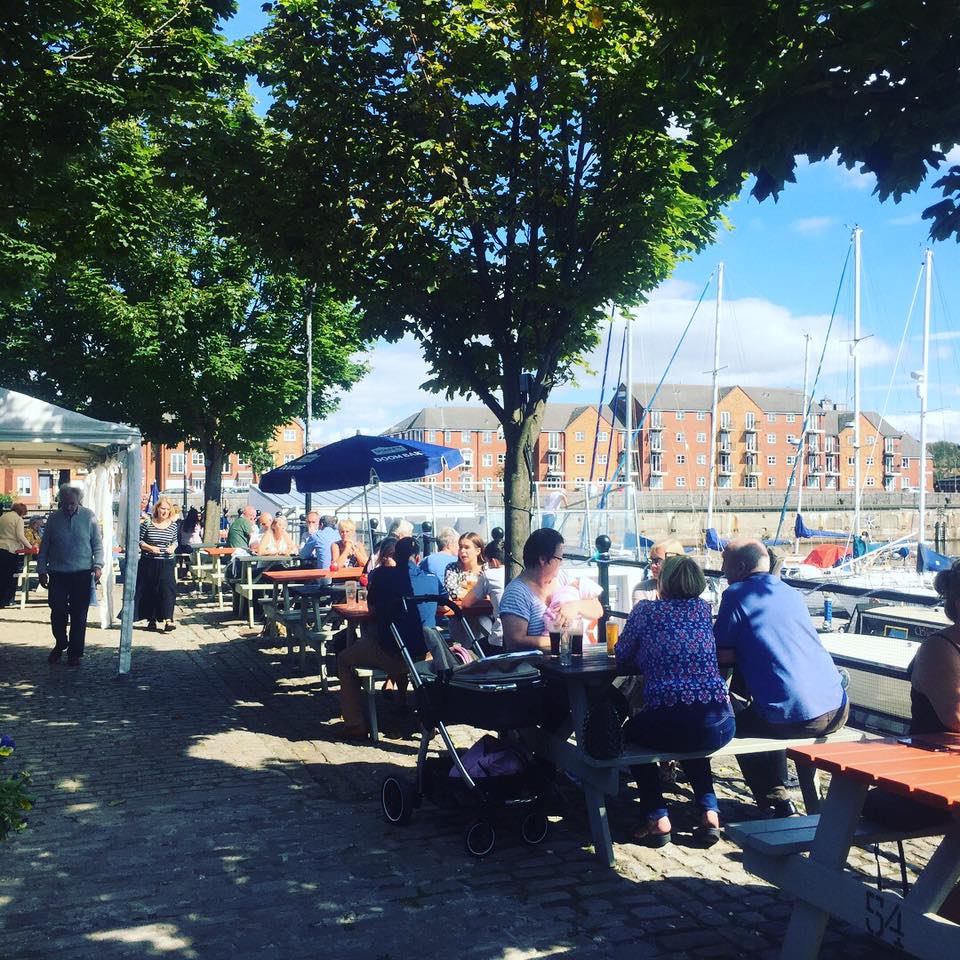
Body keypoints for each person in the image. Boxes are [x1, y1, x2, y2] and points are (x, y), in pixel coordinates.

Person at [714, 539, 848, 817]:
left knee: (730, 718)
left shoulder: (735, 594)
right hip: (837, 708)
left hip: (797, 717)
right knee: (767, 707)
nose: (722, 570)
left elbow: (722, 657)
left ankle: (773, 797)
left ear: (739, 567)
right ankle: (782, 794)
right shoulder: (789, 591)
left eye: (724, 563)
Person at [616, 556, 735, 847]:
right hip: (721, 720)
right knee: (694, 738)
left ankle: (656, 816)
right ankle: (709, 812)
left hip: (671, 721)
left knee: (631, 735)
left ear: (663, 582)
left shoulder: (646, 611)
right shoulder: (702, 610)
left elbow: (621, 654)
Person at [336, 536, 439, 739]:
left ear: (394, 556)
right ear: (418, 558)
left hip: (390, 654)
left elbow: (372, 608)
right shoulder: (432, 579)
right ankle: (423, 714)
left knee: (344, 659)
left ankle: (355, 723)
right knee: (407, 640)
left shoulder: (382, 576)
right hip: (424, 654)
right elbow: (442, 604)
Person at [499, 528, 603, 652]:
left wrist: (575, 606)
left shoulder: (563, 578)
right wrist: (563, 640)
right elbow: (515, 641)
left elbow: (598, 609)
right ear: (543, 559)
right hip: (539, 667)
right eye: (559, 558)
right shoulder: (516, 593)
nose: (562, 563)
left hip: (572, 660)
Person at [37, 484, 104, 666]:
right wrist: (42, 570)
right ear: (60, 502)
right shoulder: (53, 519)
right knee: (57, 611)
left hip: (81, 573)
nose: (68, 507)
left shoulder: (88, 516)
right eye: (65, 503)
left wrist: (98, 565)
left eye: (72, 503)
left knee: (79, 614)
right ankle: (61, 642)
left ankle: (74, 653)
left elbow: (97, 544)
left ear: (78, 502)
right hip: (58, 573)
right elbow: (44, 547)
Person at [133, 497, 179, 632]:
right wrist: (150, 547)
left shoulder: (173, 525)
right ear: (157, 509)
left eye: (167, 509)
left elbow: (175, 541)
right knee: (151, 590)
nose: (164, 511)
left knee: (167, 590)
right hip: (149, 561)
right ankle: (151, 619)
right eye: (162, 508)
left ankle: (168, 619)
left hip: (167, 561)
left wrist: (173, 547)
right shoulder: (147, 523)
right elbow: (139, 541)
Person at [459, 539, 507, 650]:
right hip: (526, 637)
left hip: (500, 640)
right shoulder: (524, 573)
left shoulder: (490, 575)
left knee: (471, 651)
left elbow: (466, 603)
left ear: (494, 561)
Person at [632, 538, 686, 602]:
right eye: (652, 561)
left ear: (675, 562)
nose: (652, 565)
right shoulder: (642, 589)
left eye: (659, 561)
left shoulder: (689, 590)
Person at [0, 503, 31, 606]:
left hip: (1, 547)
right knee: (11, 575)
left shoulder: (3, 517)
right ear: (22, 512)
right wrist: (30, 547)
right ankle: (9, 599)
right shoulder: (18, 519)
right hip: (11, 549)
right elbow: (20, 536)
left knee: (1, 575)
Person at [442, 531, 486, 602]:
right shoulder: (452, 568)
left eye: (467, 547)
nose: (462, 550)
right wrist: (478, 590)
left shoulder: (486, 568)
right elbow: (452, 592)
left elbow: (490, 591)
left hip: (486, 610)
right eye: (460, 547)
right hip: (459, 611)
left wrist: (464, 587)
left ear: (478, 551)